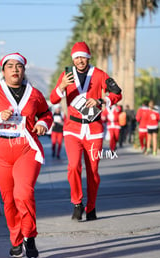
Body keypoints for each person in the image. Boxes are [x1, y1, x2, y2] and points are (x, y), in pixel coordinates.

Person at [0, 52, 53, 258]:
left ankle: (30, 236)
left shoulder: (34, 93)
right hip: (1, 150)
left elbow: (46, 113)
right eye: (10, 66)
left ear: (24, 70)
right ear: (3, 70)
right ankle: (16, 240)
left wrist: (43, 123)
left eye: (19, 66)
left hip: (26, 148)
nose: (15, 70)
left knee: (23, 193)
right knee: (8, 200)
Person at [50, 41, 122, 221]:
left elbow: (117, 93)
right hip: (72, 129)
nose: (80, 60)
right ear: (72, 59)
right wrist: (61, 87)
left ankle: (91, 207)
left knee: (93, 171)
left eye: (83, 57)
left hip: (94, 129)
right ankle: (77, 203)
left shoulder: (99, 74)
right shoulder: (66, 75)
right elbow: (53, 99)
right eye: (77, 57)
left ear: (88, 57)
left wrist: (102, 101)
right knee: (73, 166)